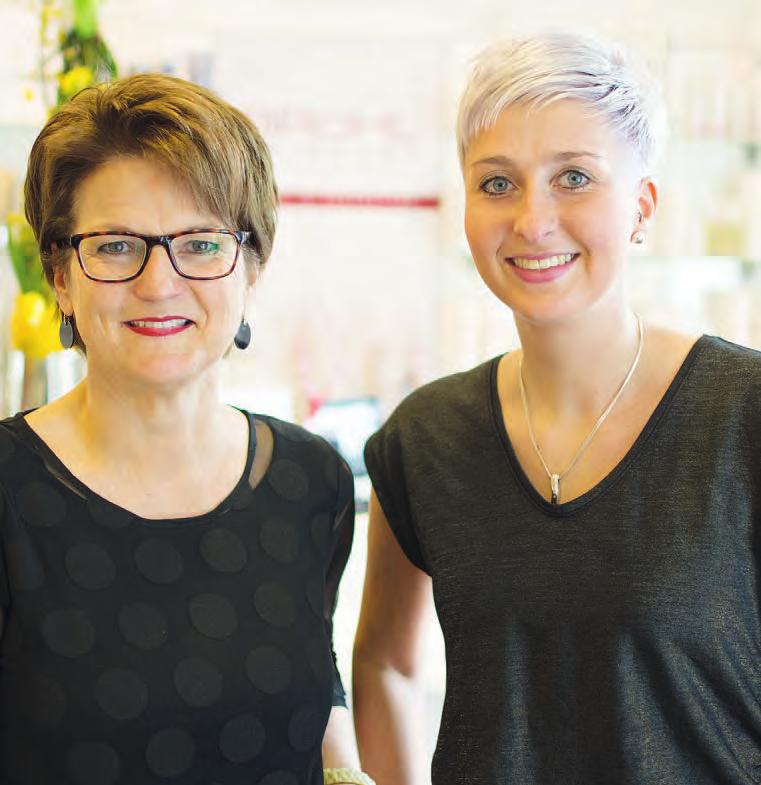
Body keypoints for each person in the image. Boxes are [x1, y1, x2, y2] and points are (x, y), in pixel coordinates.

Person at [353, 30, 761, 785]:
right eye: (496, 182)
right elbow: (384, 660)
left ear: (641, 206)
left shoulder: (742, 413)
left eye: (573, 177)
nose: (532, 221)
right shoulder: (425, 437)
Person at [0, 73, 374, 785]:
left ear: (251, 265)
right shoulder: (9, 491)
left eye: (201, 244)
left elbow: (310, 686)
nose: (158, 281)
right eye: (114, 246)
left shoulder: (308, 479)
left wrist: (348, 770)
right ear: (59, 273)